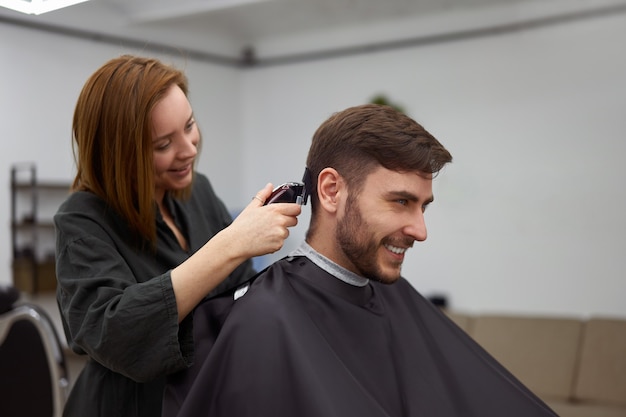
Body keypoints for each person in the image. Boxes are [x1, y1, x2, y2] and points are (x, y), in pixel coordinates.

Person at [163, 104, 558, 417]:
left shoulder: (394, 298)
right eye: (400, 201)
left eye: (423, 206)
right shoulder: (266, 318)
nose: (420, 230)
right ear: (332, 190)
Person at [54, 55, 302, 417]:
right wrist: (230, 244)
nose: (189, 149)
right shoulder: (82, 220)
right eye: (163, 145)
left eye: (189, 126)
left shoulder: (197, 192)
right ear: (119, 155)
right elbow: (117, 333)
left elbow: (240, 296)